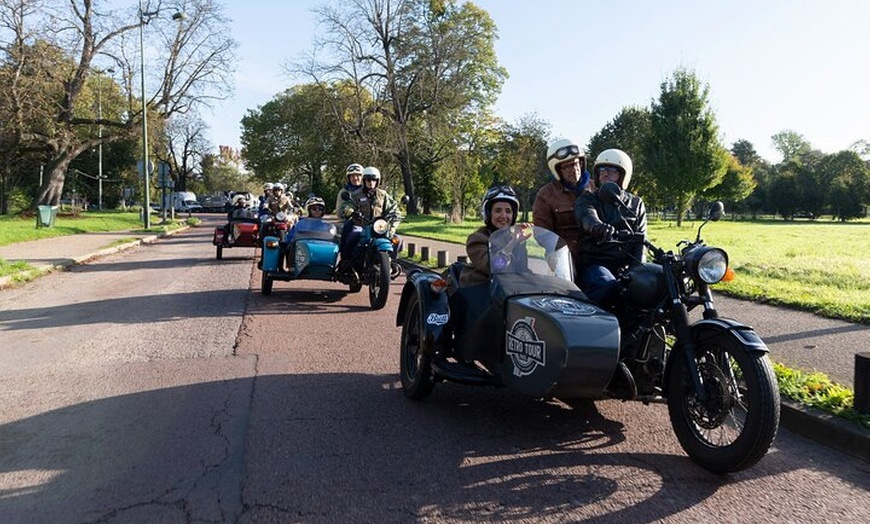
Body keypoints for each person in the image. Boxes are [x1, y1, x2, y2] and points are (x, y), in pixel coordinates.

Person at [573, 148, 647, 308]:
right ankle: (584, 322)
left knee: (654, 285)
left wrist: (638, 272)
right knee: (606, 285)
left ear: (623, 176)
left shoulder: (636, 203)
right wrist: (597, 227)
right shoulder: (588, 199)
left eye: (612, 170)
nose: (605, 173)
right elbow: (586, 216)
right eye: (601, 169)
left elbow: (641, 238)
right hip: (595, 264)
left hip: (627, 265)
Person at [532, 138, 591, 270]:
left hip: (595, 255)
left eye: (576, 163)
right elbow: (542, 233)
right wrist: (562, 248)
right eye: (567, 166)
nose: (574, 169)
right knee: (564, 288)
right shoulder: (546, 195)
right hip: (563, 258)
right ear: (557, 169)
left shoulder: (595, 188)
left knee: (604, 282)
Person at [458, 185, 525, 288]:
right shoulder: (477, 239)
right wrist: (509, 247)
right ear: (488, 214)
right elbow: (492, 267)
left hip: (509, 292)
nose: (503, 216)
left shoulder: (515, 238)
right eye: (498, 211)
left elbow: (524, 271)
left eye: (508, 211)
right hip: (481, 292)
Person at [337, 166, 400, 274]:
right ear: (364, 180)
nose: (371, 182)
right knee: (354, 235)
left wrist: (393, 222)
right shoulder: (356, 194)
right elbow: (347, 206)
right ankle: (347, 262)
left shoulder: (383, 195)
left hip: (379, 227)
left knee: (397, 239)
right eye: (368, 180)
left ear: (377, 181)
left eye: (374, 180)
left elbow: (394, 209)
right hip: (362, 225)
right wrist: (350, 211)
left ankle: (390, 263)